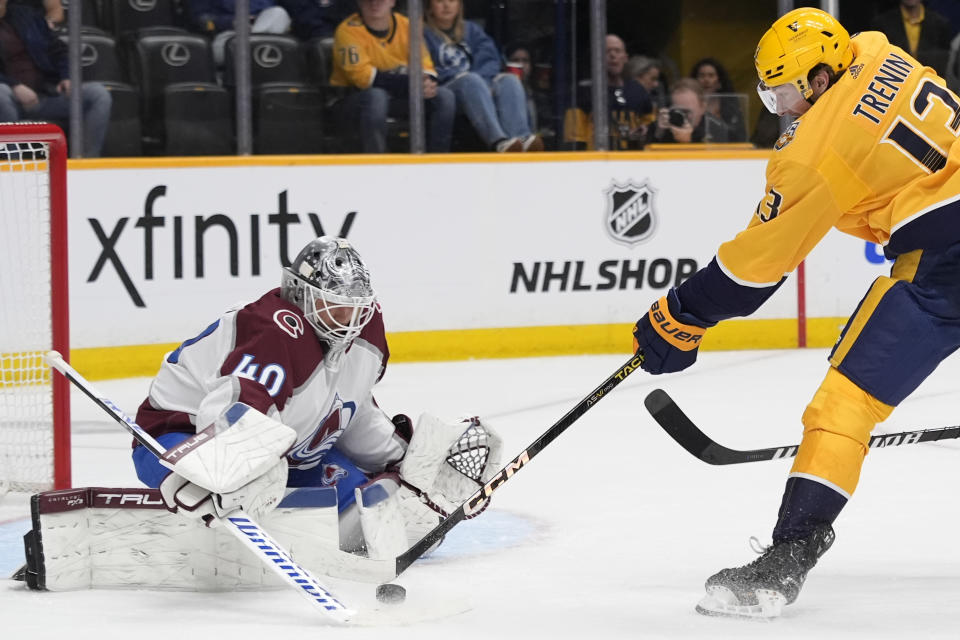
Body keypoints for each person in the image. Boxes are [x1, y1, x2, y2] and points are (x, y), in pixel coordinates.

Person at [633, 6, 960, 619]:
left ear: (819, 78)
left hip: (947, 264)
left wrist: (678, 316)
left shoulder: (816, 151)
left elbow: (749, 274)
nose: (780, 108)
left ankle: (790, 554)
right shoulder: (873, 48)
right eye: (770, 93)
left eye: (787, 92)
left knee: (844, 405)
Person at [132, 236, 502, 557]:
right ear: (301, 294)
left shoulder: (366, 333)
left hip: (291, 451)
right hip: (182, 436)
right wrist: (219, 467)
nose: (350, 317)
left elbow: (352, 415)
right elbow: (235, 406)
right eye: (336, 304)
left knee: (383, 506)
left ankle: (278, 503)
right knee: (254, 467)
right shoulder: (275, 328)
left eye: (357, 305)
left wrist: (407, 465)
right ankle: (223, 490)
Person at [330, 0, 454, 153]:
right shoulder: (347, 31)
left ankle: (436, 161)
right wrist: (412, 84)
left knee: (444, 96)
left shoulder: (407, 25)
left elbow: (427, 67)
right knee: (376, 97)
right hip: (353, 101)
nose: (374, 3)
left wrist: (427, 83)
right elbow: (364, 79)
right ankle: (377, 164)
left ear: (392, 1)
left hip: (395, 96)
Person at [423, 0, 541, 152]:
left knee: (509, 80)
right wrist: (474, 81)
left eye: (452, 0)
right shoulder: (422, 33)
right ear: (430, 6)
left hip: (478, 86)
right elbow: (427, 68)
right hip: (448, 88)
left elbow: (490, 59)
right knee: (470, 80)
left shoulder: (472, 30)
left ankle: (521, 138)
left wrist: (483, 83)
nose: (447, 5)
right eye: (440, 1)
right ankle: (499, 141)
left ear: (459, 5)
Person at [0, 0, 111, 157]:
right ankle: (12, 165)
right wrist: (15, 86)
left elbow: (59, 50)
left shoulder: (27, 17)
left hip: (44, 96)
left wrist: (66, 76)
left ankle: (85, 164)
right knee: (1, 93)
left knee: (98, 94)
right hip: (8, 101)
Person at [564, 34, 653, 150]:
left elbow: (651, 131)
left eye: (617, 51)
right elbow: (574, 141)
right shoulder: (582, 93)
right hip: (596, 164)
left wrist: (645, 131)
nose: (612, 55)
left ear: (625, 58)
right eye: (607, 51)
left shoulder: (638, 91)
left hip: (631, 163)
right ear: (597, 57)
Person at [184, 0, 292, 66]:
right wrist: (233, 22)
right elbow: (201, 19)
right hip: (229, 37)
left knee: (279, 13)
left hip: (265, 32)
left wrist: (255, 25)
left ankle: (254, 43)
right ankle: (255, 47)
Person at [873, 0, 951, 76]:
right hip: (894, 79)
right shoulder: (882, 23)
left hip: (929, 79)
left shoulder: (940, 24)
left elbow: (944, 60)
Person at [648, 78, 729, 144]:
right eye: (677, 111)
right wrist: (658, 135)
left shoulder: (715, 127)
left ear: (703, 108)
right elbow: (647, 159)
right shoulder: (662, 125)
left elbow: (714, 161)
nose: (682, 115)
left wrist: (688, 142)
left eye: (687, 112)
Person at [690, 57, 746, 142]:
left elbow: (739, 133)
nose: (706, 80)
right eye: (702, 75)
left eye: (711, 75)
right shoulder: (689, 103)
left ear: (719, 80)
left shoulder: (730, 104)